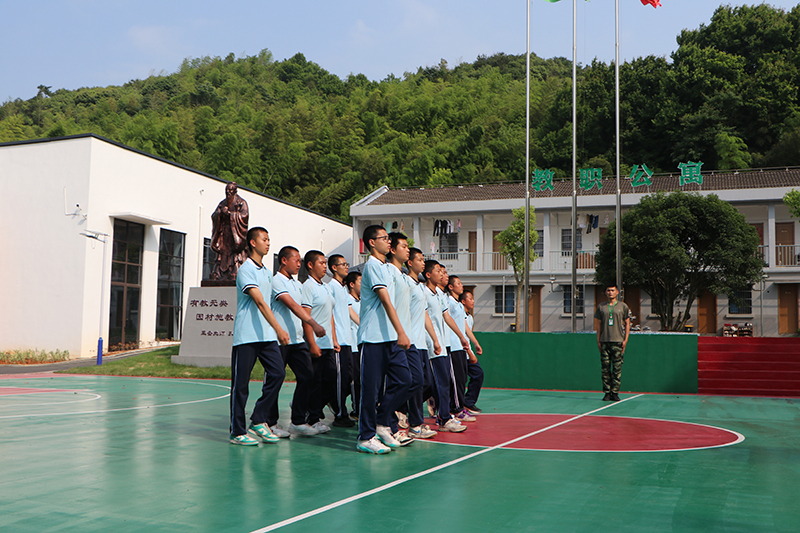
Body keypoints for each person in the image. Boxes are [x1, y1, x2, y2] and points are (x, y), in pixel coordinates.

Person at [229, 227, 290, 446]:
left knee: (278, 373)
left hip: (266, 335)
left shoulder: (266, 272)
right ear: (253, 243)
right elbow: (260, 302)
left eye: (269, 239)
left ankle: (258, 419)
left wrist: (274, 329)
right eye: (264, 239)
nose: (268, 243)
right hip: (247, 335)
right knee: (241, 385)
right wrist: (279, 329)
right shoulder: (246, 270)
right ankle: (237, 431)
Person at [356, 225, 411, 454]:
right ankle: (365, 437)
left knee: (405, 380)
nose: (389, 241)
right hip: (373, 338)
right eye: (384, 238)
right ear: (371, 242)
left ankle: (381, 422)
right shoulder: (372, 266)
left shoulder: (388, 268)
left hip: (390, 338)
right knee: (371, 391)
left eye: (389, 238)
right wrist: (402, 332)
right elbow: (386, 301)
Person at [268, 245, 327, 437]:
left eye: (300, 260)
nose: (299, 264)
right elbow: (293, 305)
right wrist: (314, 324)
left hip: (297, 340)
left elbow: (303, 308)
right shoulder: (276, 281)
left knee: (308, 376)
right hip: (280, 340)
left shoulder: (298, 284)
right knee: (275, 379)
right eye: (296, 260)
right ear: (284, 260)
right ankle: (270, 423)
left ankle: (298, 421)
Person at [423, 260, 466, 433]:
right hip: (431, 344)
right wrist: (434, 340)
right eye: (438, 271)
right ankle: (443, 418)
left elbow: (447, 317)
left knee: (443, 382)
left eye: (443, 271)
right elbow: (425, 318)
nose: (442, 274)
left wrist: (461, 337)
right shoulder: (424, 293)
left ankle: (444, 416)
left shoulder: (439, 295)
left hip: (442, 343)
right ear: (428, 275)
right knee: (435, 383)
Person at [301, 250, 339, 433]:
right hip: (316, 343)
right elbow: (306, 317)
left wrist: (334, 339)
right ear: (310, 265)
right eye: (321, 263)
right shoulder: (308, 287)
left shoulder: (326, 287)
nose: (325, 266)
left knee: (331, 380)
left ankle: (307, 406)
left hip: (328, 343)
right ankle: (313, 418)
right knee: (316, 382)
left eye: (325, 263)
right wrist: (312, 344)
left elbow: (329, 314)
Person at [404, 247, 439, 439]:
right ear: (410, 262)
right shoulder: (406, 284)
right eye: (419, 259)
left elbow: (424, 314)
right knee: (416, 382)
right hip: (410, 342)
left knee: (426, 382)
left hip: (422, 344)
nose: (423, 263)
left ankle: (404, 411)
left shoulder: (419, 286)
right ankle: (415, 424)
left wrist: (434, 339)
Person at [328, 254, 356, 428]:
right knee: (340, 379)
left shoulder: (343, 289)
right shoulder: (330, 287)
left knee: (348, 378)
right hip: (338, 340)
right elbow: (330, 314)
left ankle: (331, 402)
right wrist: (334, 338)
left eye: (347, 264)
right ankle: (340, 414)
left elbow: (350, 312)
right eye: (343, 264)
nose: (346, 267)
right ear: (334, 268)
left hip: (348, 341)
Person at [594, 284, 632, 402]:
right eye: (608, 290)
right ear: (605, 292)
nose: (610, 292)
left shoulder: (623, 306)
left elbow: (627, 323)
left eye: (612, 290)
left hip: (618, 341)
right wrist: (598, 340)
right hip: (605, 341)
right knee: (605, 369)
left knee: (617, 369)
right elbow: (599, 325)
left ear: (617, 292)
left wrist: (625, 340)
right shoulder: (601, 307)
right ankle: (607, 392)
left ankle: (615, 392)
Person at [210, 182, 249, 282]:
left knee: (235, 253)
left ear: (235, 191)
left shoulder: (241, 202)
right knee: (222, 253)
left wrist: (231, 214)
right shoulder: (222, 203)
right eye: (227, 190)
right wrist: (220, 213)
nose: (228, 192)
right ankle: (219, 272)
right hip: (224, 232)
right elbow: (214, 215)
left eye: (231, 190)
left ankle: (234, 270)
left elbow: (244, 215)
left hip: (235, 232)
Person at [460, 290, 485, 414]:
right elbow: (462, 334)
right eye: (470, 298)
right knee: (459, 380)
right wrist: (470, 353)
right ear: (463, 301)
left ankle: (468, 402)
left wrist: (475, 346)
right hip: (460, 351)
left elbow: (468, 334)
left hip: (467, 351)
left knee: (478, 374)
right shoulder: (460, 314)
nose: (473, 301)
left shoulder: (470, 317)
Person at [345, 271, 362, 419]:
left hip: (362, 345)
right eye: (360, 282)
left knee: (362, 379)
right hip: (353, 345)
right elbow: (355, 318)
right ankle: (356, 409)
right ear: (352, 284)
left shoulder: (362, 300)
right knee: (354, 380)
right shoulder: (348, 299)